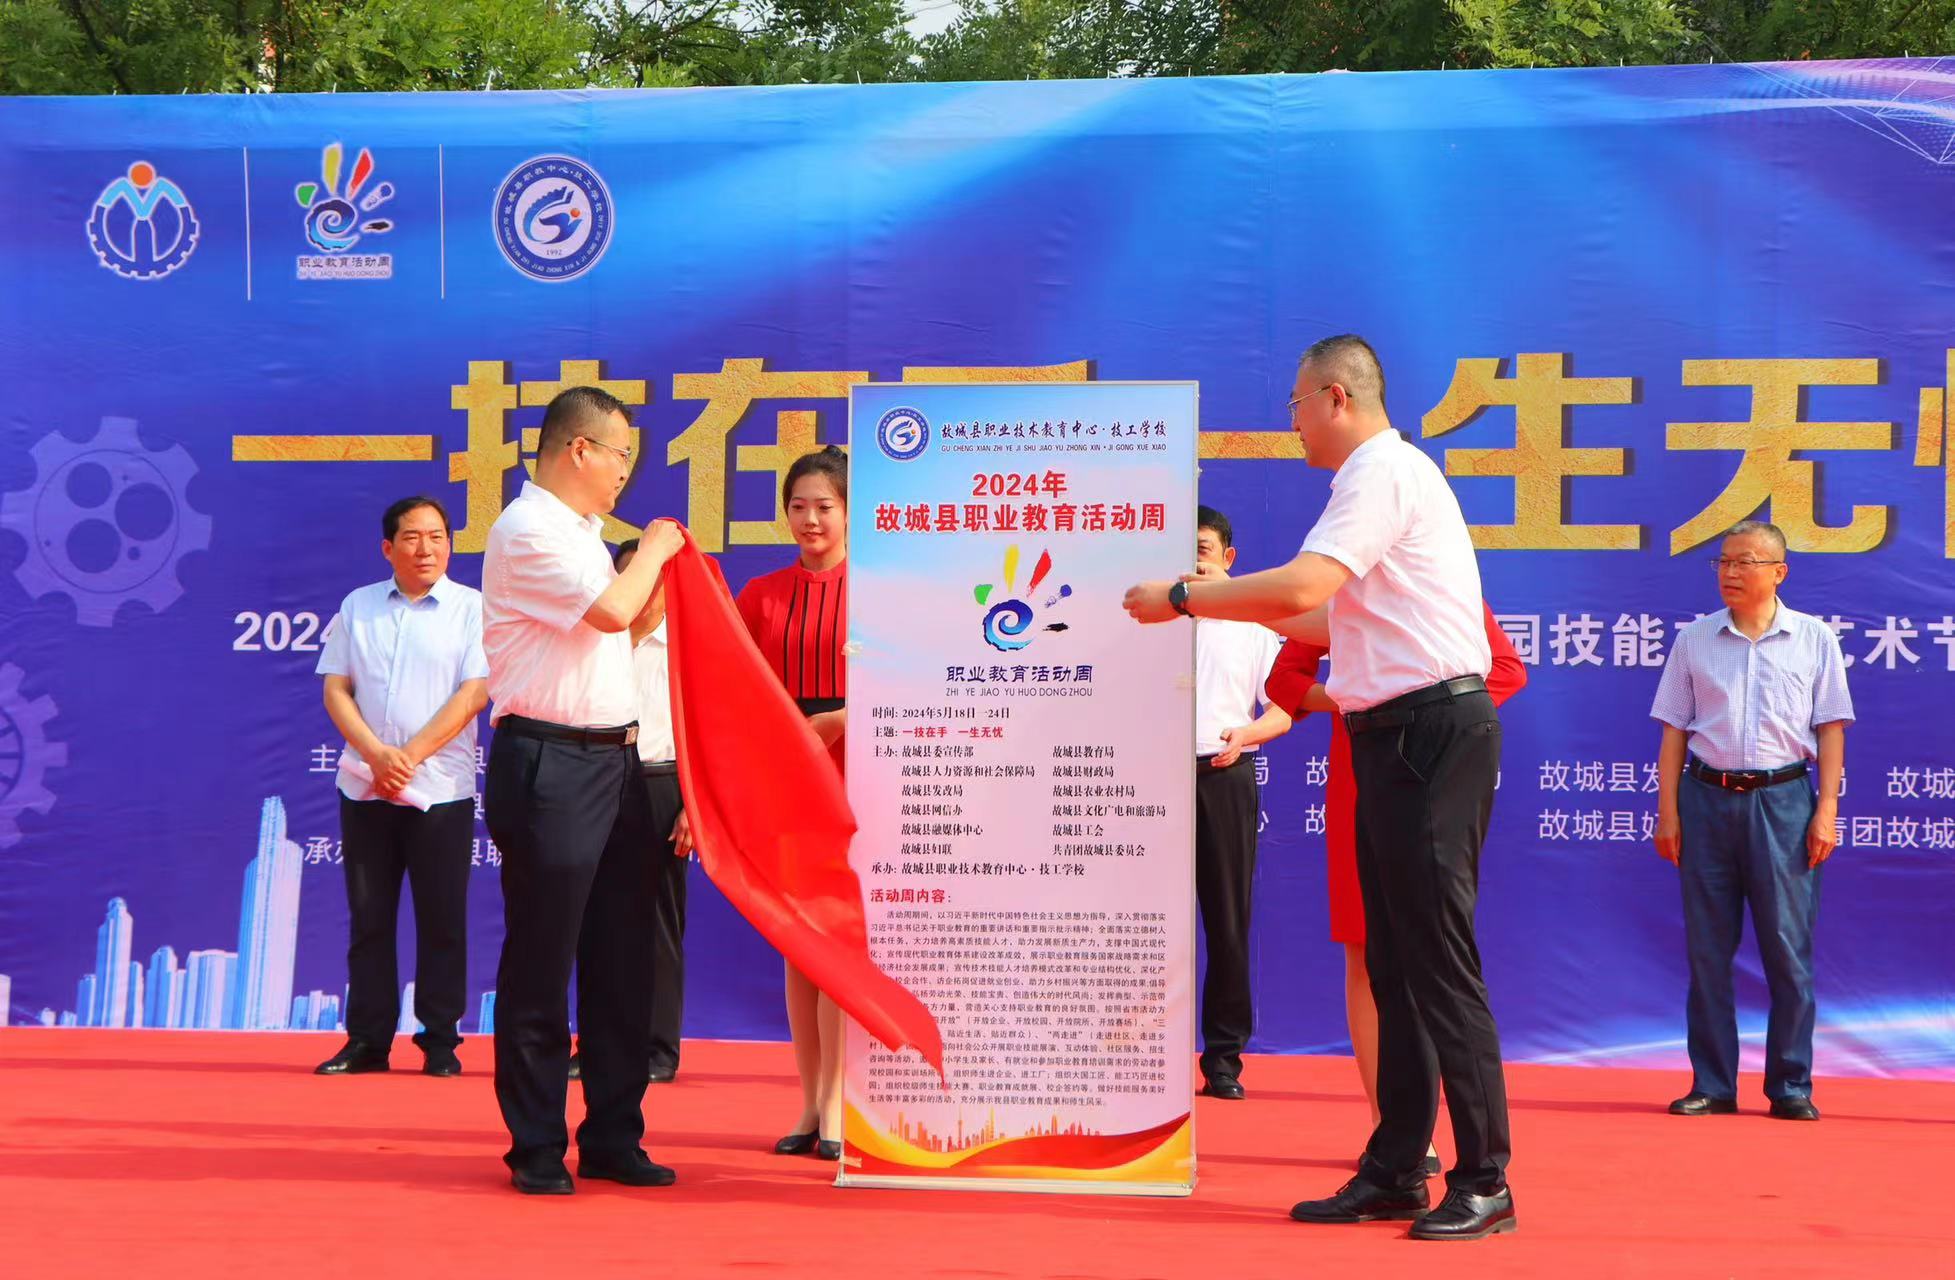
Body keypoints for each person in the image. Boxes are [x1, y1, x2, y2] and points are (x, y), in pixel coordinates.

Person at [1123, 334, 1515, 1241]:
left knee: (1437, 960)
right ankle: (1396, 1168)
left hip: (1429, 732)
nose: (1291, 422)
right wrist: (1207, 600)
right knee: (1392, 962)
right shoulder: (1372, 481)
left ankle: (1484, 1178)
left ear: (1335, 397)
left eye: (1295, 404)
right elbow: (1323, 616)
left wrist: (1183, 597)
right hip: (1387, 738)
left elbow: (1302, 586)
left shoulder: (1383, 470)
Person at [481, 385, 687, 1196]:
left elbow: (616, 632)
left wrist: (650, 593)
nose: (624, 473)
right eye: (621, 455)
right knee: (543, 959)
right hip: (550, 763)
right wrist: (655, 551)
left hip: (618, 763)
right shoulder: (528, 529)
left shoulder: (584, 536)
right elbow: (607, 613)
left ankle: (612, 1137)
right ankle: (535, 1145)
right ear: (579, 450)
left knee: (623, 958)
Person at [1264, 601, 1526, 1173]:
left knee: (1428, 949)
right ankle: (1396, 1131)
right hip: (1359, 771)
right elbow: (1284, 679)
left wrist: (1421, 713)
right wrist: (1352, 698)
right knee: (1366, 949)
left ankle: (1470, 1160)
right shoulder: (1339, 589)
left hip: (1434, 772)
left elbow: (1506, 669)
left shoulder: (1435, 579)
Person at [1650, 520, 1850, 1122]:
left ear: (1779, 572)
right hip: (1705, 799)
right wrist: (1668, 812)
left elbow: (1830, 729)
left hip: (1784, 801)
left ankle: (1790, 1084)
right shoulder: (1695, 640)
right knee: (1708, 950)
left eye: (1746, 562)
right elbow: (1674, 732)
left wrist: (1826, 810)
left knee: (1788, 950)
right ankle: (1712, 1083)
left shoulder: (1814, 639)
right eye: (1724, 562)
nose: (1731, 572)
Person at [313, 496, 488, 1078]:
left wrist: (408, 758)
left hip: (440, 790)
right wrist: (376, 756)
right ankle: (367, 1041)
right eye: (412, 537)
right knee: (369, 919)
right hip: (366, 788)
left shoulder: (471, 609)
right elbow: (336, 688)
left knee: (442, 920)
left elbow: (474, 693)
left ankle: (440, 1041)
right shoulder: (358, 606)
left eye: (437, 537)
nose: (426, 548)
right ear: (388, 548)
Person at [734, 444, 850, 1162]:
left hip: (858, 771)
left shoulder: (881, 591)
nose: (810, 519)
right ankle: (809, 1101)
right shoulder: (761, 594)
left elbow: (911, 684)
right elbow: (735, 689)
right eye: (798, 506)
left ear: (851, 512)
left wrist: (840, 720)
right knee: (799, 945)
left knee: (836, 941)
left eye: (824, 506)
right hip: (785, 775)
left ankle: (838, 1104)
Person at [1188, 506, 1291, 1100]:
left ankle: (1223, 1058)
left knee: (1227, 921)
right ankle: (1134, 1059)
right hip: (1150, 783)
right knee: (1142, 923)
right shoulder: (1149, 619)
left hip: (1222, 775)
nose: (1193, 559)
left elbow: (1283, 707)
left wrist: (1247, 733)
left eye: (1203, 548)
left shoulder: (1253, 627)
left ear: (1228, 557)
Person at [617, 536, 692, 1085]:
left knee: (659, 923)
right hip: (599, 781)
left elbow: (711, 734)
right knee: (597, 923)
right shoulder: (595, 644)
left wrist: (694, 806)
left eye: (652, 576)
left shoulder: (687, 648)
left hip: (664, 785)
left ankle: (659, 1049)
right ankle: (600, 1045)